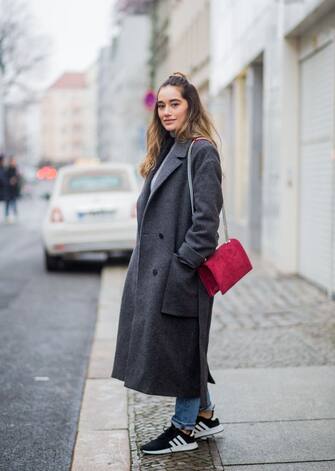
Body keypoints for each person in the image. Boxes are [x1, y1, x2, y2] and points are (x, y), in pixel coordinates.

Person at [111, 72, 224, 455]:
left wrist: (182, 265)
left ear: (190, 105)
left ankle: (184, 430)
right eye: (161, 104)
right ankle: (205, 414)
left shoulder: (200, 151)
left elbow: (205, 224)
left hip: (181, 274)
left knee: (181, 349)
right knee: (182, 348)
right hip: (156, 271)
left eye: (175, 103)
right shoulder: (166, 150)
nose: (166, 111)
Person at [4, 156, 20, 222]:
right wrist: (10, 181)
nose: (14, 163)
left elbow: (18, 178)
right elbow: (5, 178)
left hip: (14, 189)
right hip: (8, 189)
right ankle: (7, 216)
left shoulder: (16, 169)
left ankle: (15, 214)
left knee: (14, 202)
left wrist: (16, 179)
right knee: (8, 203)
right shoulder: (8, 170)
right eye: (13, 162)